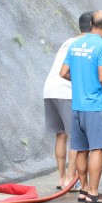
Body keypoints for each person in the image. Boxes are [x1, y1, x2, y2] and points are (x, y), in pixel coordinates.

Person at [60, 10, 102, 203]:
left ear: (92, 23)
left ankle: (83, 190)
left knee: (81, 149)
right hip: (95, 106)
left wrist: (81, 82)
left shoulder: (75, 44)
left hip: (77, 106)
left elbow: (63, 73)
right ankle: (93, 193)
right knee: (97, 149)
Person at [42, 11, 92, 191]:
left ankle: (62, 177)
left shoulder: (68, 41)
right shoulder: (85, 44)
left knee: (61, 134)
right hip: (65, 91)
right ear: (93, 26)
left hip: (50, 89)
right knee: (77, 137)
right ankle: (71, 180)